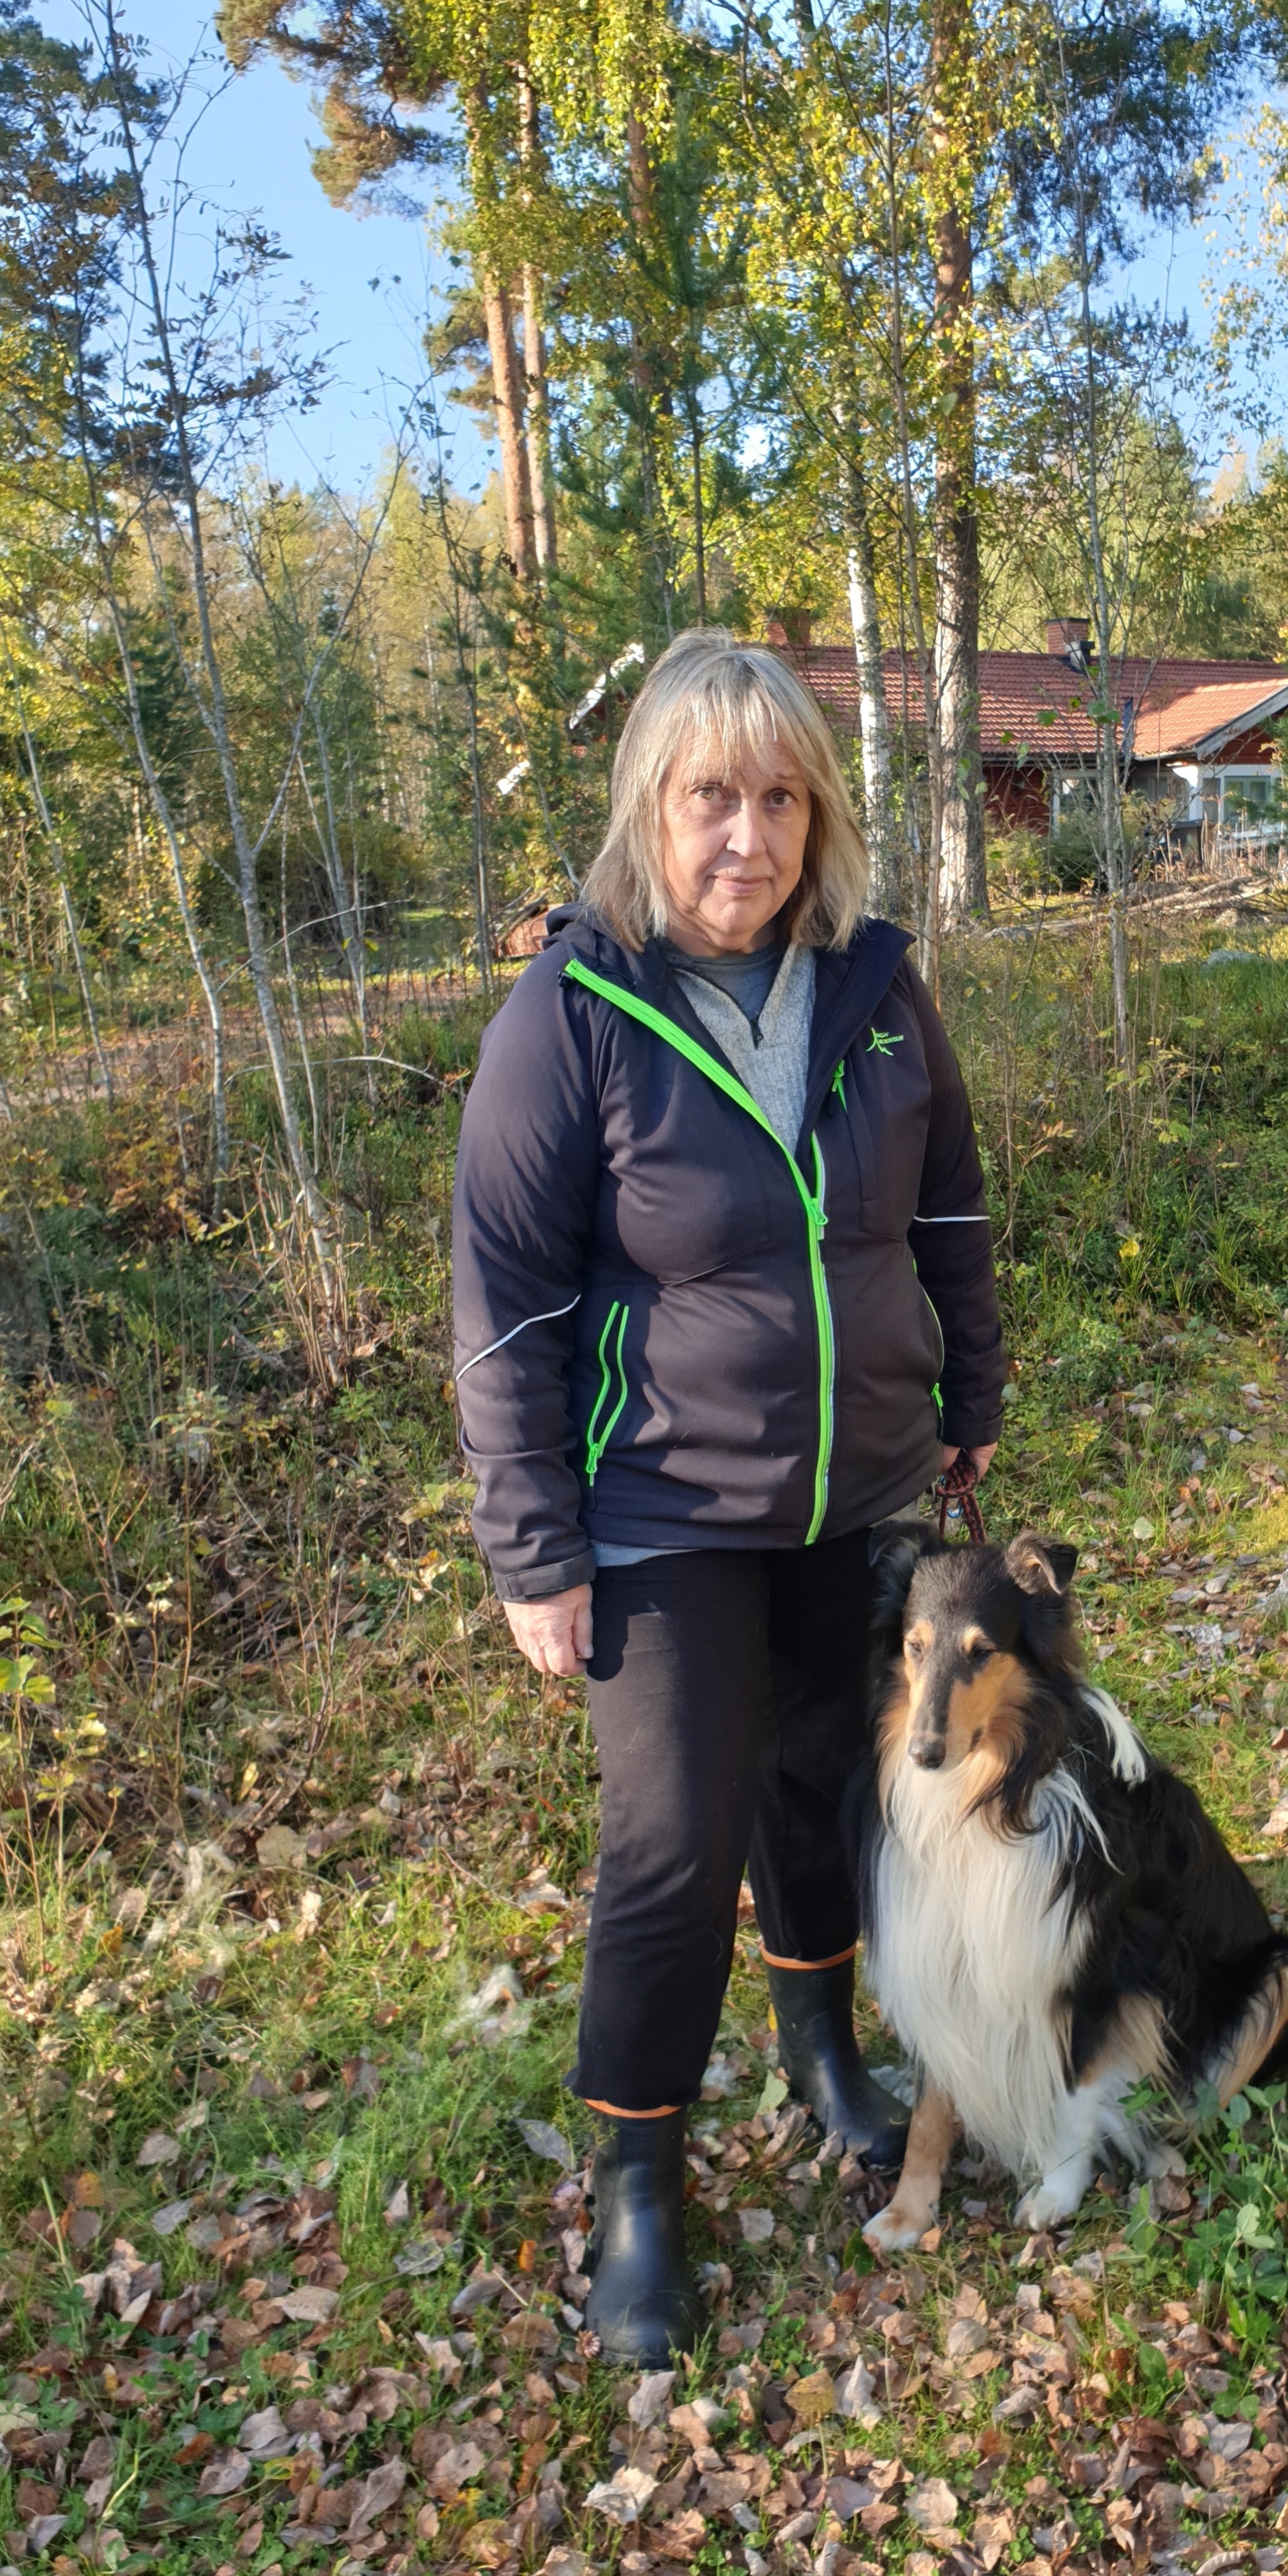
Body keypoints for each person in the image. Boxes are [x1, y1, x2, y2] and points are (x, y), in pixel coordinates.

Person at [452, 628, 1003, 2366]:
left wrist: (969, 1404)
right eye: (711, 799)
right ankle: (638, 2191)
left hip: (859, 1487)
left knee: (835, 1786)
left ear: (818, 813)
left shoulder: (874, 989)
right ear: (651, 808)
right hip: (661, 1507)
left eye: (779, 798)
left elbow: (955, 1214)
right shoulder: (574, 1016)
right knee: (675, 1843)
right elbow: (504, 1298)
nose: (746, 839)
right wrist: (534, 1548)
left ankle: (825, 2054)